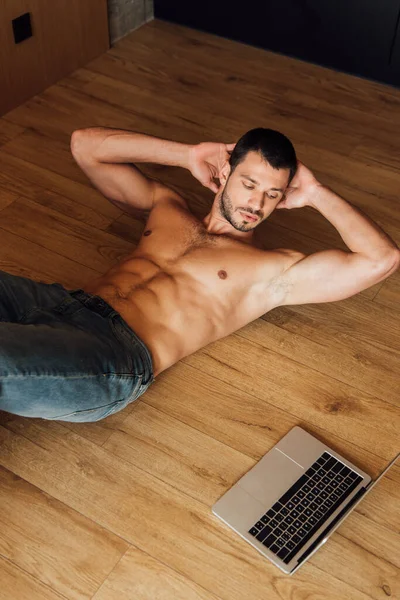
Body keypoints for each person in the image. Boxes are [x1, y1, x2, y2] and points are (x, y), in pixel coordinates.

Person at [0, 127, 398, 422]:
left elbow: (381, 260)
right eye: (249, 183)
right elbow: (84, 146)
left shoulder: (272, 271)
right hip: (61, 304)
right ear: (224, 173)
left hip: (113, 356)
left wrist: (315, 193)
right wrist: (186, 154)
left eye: (272, 194)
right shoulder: (166, 207)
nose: (256, 202)